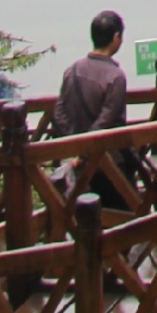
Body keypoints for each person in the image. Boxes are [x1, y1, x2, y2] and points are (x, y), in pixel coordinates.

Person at [56, 13, 130, 209]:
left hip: (79, 164)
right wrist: (85, 150)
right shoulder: (115, 77)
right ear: (116, 38)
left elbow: (59, 112)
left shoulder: (71, 71)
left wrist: (76, 146)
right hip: (109, 164)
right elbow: (106, 120)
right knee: (121, 222)